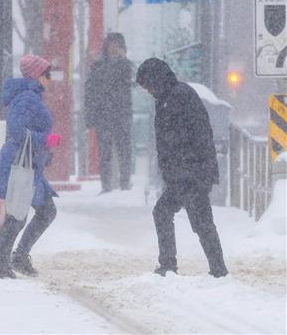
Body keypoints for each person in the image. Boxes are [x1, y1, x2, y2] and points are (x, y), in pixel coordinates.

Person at [135, 58, 228, 278]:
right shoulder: (167, 97)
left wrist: (196, 171)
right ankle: (175, 265)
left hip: (191, 173)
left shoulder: (178, 96)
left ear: (156, 79)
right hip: (182, 174)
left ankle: (216, 270)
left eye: (147, 85)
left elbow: (195, 135)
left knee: (200, 222)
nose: (148, 91)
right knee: (170, 214)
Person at [0, 54, 61, 279]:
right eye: (47, 74)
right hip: (21, 164)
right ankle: (4, 265)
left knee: (42, 210)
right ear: (36, 75)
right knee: (18, 214)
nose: (50, 79)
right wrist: (47, 140)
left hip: (28, 163)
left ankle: (14, 259)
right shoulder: (27, 98)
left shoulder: (29, 96)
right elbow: (17, 130)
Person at [84, 32, 135, 193]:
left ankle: (125, 184)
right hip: (104, 116)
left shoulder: (126, 65)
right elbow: (90, 91)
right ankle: (106, 186)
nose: (114, 48)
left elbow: (136, 80)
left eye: (117, 44)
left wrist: (125, 60)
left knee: (124, 151)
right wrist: (90, 116)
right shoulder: (98, 66)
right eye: (112, 44)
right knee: (105, 153)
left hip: (121, 115)